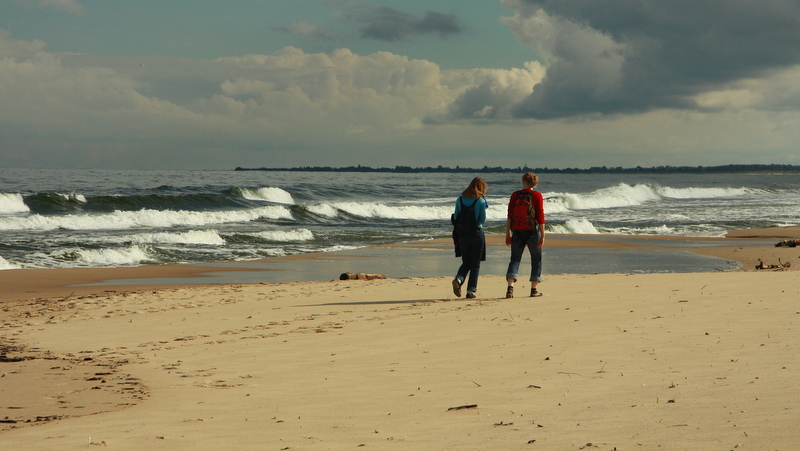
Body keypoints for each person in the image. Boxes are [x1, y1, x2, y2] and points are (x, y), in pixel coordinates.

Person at [504, 172, 545, 298]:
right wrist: (543, 235)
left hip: (517, 231)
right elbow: (540, 215)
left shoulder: (515, 195)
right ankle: (533, 290)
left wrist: (507, 233)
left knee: (515, 259)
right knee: (536, 260)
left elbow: (510, 215)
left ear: (523, 181)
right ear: (535, 183)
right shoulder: (537, 195)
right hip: (532, 231)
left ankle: (510, 288)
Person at [451, 177, 488, 299]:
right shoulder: (481, 201)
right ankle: (470, 291)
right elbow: (482, 220)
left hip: (462, 235)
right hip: (476, 234)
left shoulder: (459, 199)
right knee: (475, 264)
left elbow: (456, 216)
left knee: (466, 262)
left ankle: (459, 279)